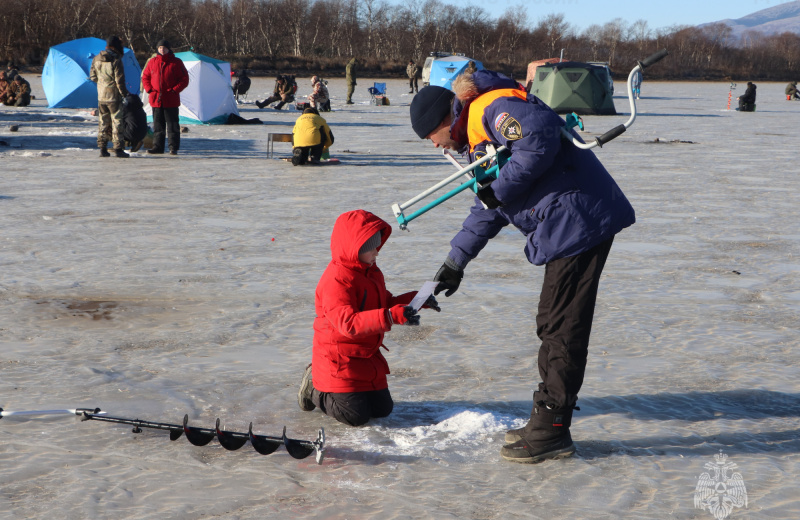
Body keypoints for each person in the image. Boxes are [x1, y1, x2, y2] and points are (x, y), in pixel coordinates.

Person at [409, 71, 635, 463]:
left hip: (578, 219)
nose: (434, 145)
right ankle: (546, 418)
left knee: (561, 326)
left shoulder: (492, 110)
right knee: (551, 322)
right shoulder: (479, 137)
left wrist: (496, 192)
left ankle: (552, 429)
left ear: (443, 122)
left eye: (431, 136)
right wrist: (454, 263)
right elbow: (486, 208)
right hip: (566, 222)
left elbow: (539, 139)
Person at [297, 209, 440, 426]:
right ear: (355, 249)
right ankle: (314, 387)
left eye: (377, 245)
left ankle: (331, 389)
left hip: (365, 355)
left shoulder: (370, 271)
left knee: (382, 410)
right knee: (355, 416)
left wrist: (417, 301)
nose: (377, 251)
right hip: (338, 359)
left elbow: (383, 302)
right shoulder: (336, 280)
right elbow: (348, 323)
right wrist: (391, 316)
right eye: (371, 247)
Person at [141, 39, 189, 155]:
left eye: (164, 48)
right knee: (158, 126)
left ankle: (173, 148)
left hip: (171, 99)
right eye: (160, 48)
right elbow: (145, 77)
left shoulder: (176, 62)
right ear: (157, 49)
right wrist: (150, 90)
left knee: (172, 125)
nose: (162, 50)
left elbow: (184, 79)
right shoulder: (152, 62)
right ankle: (158, 147)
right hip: (156, 99)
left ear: (169, 49)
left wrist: (174, 90)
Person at [89, 36, 130, 158]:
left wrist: (102, 83)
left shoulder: (96, 58)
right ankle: (118, 148)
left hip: (101, 96)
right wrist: (125, 94)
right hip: (114, 96)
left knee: (103, 122)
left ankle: (102, 148)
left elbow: (93, 77)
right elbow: (119, 81)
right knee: (117, 122)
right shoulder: (116, 60)